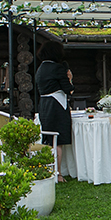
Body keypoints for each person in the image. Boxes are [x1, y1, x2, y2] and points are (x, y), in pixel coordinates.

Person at [36, 41, 74, 182]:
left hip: (44, 104)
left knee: (48, 138)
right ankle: (57, 174)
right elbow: (67, 89)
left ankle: (48, 169)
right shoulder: (58, 68)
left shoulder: (41, 68)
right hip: (56, 105)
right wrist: (70, 79)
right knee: (57, 140)